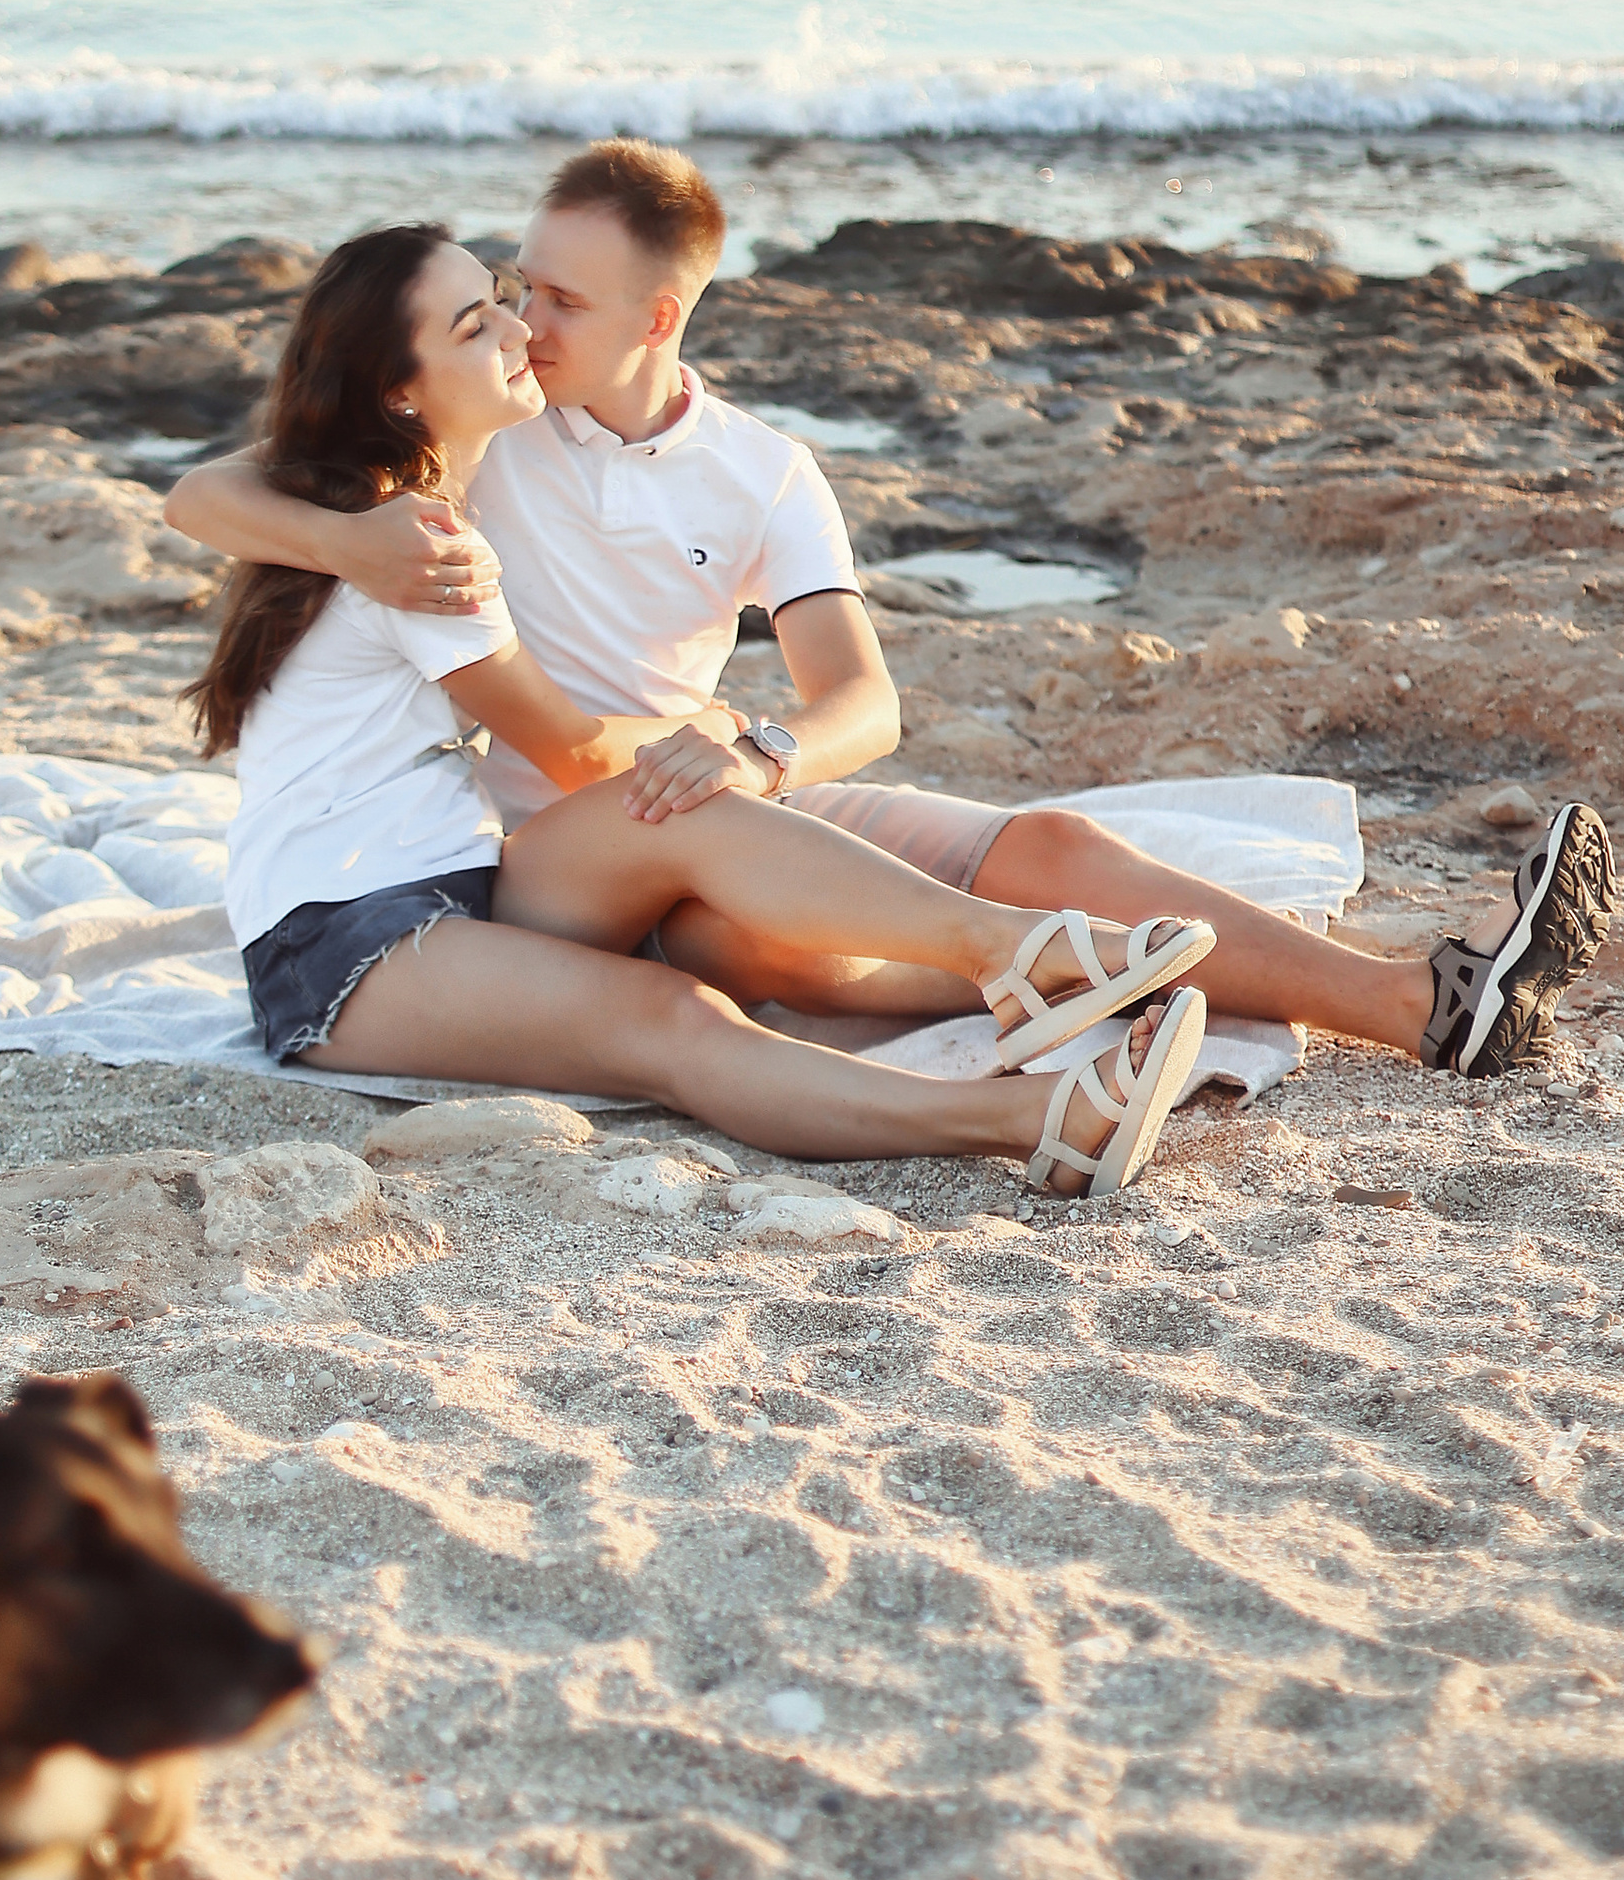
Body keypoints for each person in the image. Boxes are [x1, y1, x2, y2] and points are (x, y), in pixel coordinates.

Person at [169, 139, 1617, 1074]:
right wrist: (352, 547)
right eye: (516, 288)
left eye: (559, 301)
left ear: (657, 318)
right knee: (775, 948)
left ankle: (1434, 1003)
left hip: (710, 785)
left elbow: (862, 702)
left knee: (1051, 845)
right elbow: (211, 492)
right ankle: (1091, 984)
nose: (525, 324)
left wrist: (764, 754)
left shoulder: (762, 473)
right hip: (567, 854)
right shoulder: (486, 427)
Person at [186, 221, 1215, 1198]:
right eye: (474, 326)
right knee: (673, 1012)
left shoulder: (382, 503)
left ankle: (1011, 951)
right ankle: (1033, 1115)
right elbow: (579, 754)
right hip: (334, 944)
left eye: (502, 297)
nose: (519, 328)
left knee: (678, 807)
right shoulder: (421, 550)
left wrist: (725, 750)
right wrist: (721, 731)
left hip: (463, 882)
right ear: (400, 394)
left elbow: (214, 485)